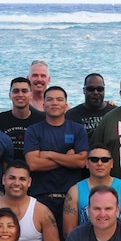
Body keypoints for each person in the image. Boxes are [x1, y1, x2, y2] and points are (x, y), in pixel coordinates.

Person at [24, 85, 89, 232]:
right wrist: (67, 159)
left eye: (59, 100)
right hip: (41, 196)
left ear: (66, 105)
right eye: (50, 100)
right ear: (43, 105)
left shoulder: (78, 129)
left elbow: (80, 162)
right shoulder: (33, 130)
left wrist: (50, 154)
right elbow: (33, 164)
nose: (55, 103)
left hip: (71, 197)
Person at [62, 146, 121, 236]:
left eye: (105, 159)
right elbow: (69, 233)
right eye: (94, 159)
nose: (99, 163)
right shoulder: (75, 191)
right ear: (87, 163)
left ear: (111, 163)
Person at [0, 77, 45, 159]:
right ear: (10, 95)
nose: (20, 94)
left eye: (24, 91)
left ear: (31, 95)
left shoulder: (42, 120)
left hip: (35, 168)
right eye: (16, 91)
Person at [66, 73, 111, 137]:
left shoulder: (114, 112)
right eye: (91, 89)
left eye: (100, 89)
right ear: (84, 90)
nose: (95, 92)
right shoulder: (72, 115)